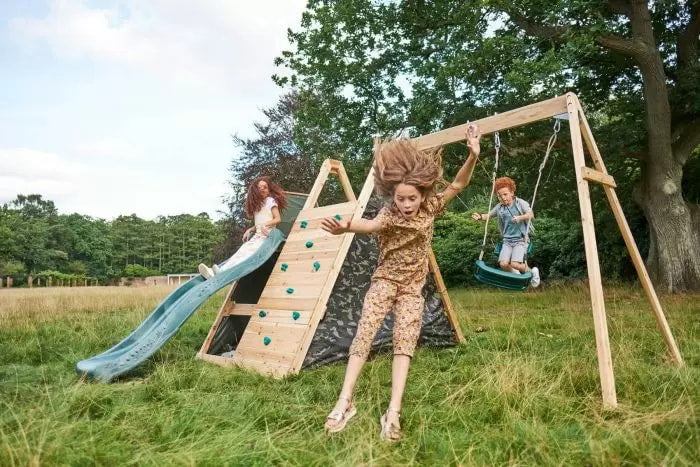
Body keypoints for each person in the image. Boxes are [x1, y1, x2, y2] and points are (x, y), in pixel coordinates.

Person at [320, 124, 482, 441]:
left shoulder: (431, 207)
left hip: (412, 289)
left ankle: (393, 411)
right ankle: (345, 400)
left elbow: (459, 184)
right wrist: (345, 227)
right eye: (401, 199)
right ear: (393, 196)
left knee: (404, 343)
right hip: (385, 282)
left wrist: (473, 154)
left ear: (422, 195)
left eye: (411, 199)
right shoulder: (390, 214)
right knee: (364, 333)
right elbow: (367, 225)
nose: (406, 205)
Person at [198, 176, 287, 279]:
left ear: (268, 191)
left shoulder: (270, 201)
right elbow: (258, 224)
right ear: (255, 190)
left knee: (246, 254)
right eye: (260, 187)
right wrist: (250, 229)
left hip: (268, 236)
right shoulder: (257, 206)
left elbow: (277, 219)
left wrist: (265, 225)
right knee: (241, 251)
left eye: (265, 187)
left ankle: (221, 271)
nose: (262, 189)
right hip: (258, 237)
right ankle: (217, 270)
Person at [471, 176, 540, 287]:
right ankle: (517, 278)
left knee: (515, 264)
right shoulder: (499, 207)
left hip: (520, 239)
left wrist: (520, 218)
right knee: (503, 264)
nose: (503, 198)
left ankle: (532, 272)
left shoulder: (520, 203)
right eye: (499, 195)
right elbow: (488, 215)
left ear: (512, 192)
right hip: (507, 241)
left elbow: (531, 214)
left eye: (505, 194)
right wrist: (479, 217)